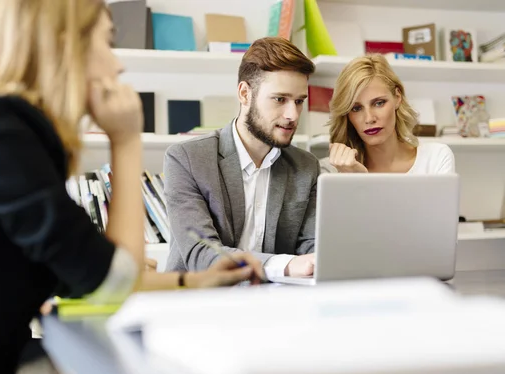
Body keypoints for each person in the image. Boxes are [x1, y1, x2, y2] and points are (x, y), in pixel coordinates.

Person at [0, 1, 262, 374]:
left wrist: (195, 281)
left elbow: (81, 279)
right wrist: (126, 142)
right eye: (107, 42)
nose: (118, 66)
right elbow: (112, 281)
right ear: (64, 44)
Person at [163, 37, 320, 279]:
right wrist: (285, 265)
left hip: (275, 305)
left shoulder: (306, 167)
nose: (292, 115)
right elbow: (202, 254)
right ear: (245, 94)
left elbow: (311, 250)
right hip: (199, 303)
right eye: (280, 99)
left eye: (299, 102)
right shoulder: (187, 159)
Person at [324, 54, 455, 174]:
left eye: (379, 103)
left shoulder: (435, 158)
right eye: (356, 108)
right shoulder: (331, 170)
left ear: (397, 97)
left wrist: (362, 180)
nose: (369, 119)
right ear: (346, 114)